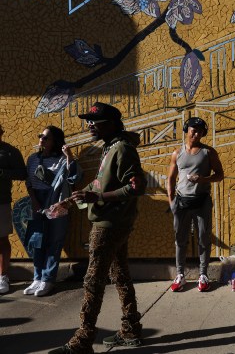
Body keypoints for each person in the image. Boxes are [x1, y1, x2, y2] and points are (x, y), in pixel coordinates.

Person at [49, 102, 146, 354]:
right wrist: (72, 200)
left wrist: (98, 197)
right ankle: (131, 329)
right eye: (88, 121)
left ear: (112, 123)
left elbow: (136, 187)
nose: (89, 125)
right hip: (113, 223)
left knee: (93, 280)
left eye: (96, 121)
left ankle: (83, 339)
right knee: (120, 276)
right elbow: (101, 182)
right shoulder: (111, 147)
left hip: (108, 226)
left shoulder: (123, 149)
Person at [167, 116, 224, 292]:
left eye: (200, 131)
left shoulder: (208, 152)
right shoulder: (177, 153)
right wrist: (171, 202)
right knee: (180, 240)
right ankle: (180, 275)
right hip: (181, 202)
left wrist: (204, 179)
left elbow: (220, 174)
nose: (196, 133)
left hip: (202, 202)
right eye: (193, 129)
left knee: (204, 239)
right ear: (187, 129)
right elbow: (170, 178)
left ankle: (203, 275)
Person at [24, 126, 82, 297]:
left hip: (58, 201)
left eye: (46, 137)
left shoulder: (63, 159)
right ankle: (37, 278)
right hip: (37, 201)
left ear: (55, 141)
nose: (41, 139)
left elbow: (74, 178)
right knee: (37, 240)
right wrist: (34, 201)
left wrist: (69, 156)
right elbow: (29, 182)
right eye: (40, 135)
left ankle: (48, 279)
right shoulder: (33, 158)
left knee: (55, 240)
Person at [0, 124, 27, 294]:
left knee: (1, 239)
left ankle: (3, 276)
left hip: (1, 201)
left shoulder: (9, 151)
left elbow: (22, 173)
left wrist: (2, 173)